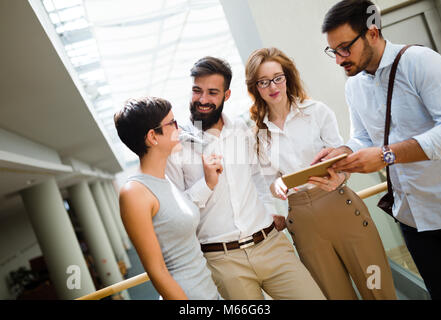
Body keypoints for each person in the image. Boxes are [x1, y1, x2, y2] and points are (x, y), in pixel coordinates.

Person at [317, 0, 441, 299]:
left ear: (372, 33)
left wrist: (386, 155)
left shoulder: (420, 62)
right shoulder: (354, 86)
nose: (339, 59)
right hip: (412, 217)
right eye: (333, 51)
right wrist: (340, 152)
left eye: (345, 48)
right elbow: (363, 137)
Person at [166, 56, 325, 300]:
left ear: (226, 96)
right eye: (197, 91)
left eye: (212, 92)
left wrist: (270, 209)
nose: (202, 99)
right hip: (223, 262)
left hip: (270, 245)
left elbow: (257, 177)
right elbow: (178, 212)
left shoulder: (241, 129)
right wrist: (206, 185)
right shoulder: (177, 145)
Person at [245, 47, 397, 300]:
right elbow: (269, 183)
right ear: (255, 87)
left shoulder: (316, 112)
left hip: (341, 206)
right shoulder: (258, 136)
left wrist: (340, 175)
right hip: (304, 224)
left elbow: (342, 159)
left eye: (277, 77)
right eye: (263, 81)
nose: (273, 86)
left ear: (287, 77)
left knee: (377, 288)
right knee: (334, 295)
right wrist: (278, 186)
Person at [113, 97, 221, 300]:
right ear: (153, 136)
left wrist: (209, 183)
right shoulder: (134, 193)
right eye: (172, 124)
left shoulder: (166, 181)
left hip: (208, 291)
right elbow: (157, 271)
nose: (179, 130)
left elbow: (176, 218)